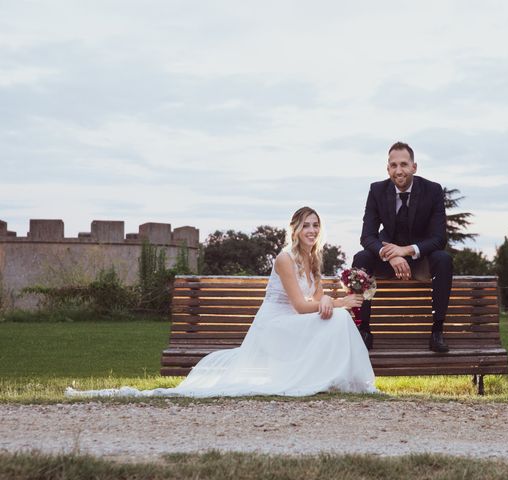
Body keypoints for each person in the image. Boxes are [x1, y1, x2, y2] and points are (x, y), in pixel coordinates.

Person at [66, 207, 377, 398]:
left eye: (315, 225)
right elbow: (298, 305)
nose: (312, 230)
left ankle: (339, 381)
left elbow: (315, 295)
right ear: (294, 230)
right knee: (337, 317)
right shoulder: (285, 258)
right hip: (276, 326)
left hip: (293, 323)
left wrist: (326, 300)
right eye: (306, 225)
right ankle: (333, 379)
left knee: (336, 319)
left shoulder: (313, 258)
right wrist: (337, 303)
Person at [352, 141, 453, 353]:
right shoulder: (377, 190)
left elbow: (438, 238)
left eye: (404, 164)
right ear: (388, 168)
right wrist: (391, 255)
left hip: (420, 259)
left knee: (443, 258)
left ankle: (437, 331)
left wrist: (405, 251)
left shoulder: (432, 190)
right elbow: (367, 236)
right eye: (394, 165)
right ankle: (364, 330)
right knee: (361, 258)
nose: (399, 171)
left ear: (414, 167)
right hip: (388, 259)